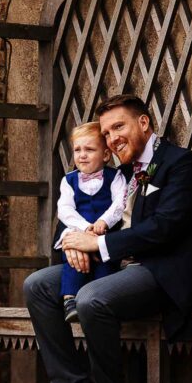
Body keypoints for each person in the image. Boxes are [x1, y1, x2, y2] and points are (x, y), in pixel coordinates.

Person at [23, 94, 192, 383]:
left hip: (159, 271)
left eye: (118, 127)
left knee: (92, 298)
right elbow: (90, 215)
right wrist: (74, 245)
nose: (112, 138)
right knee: (37, 286)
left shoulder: (183, 164)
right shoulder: (120, 172)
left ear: (143, 123)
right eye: (106, 133)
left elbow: (164, 228)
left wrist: (97, 244)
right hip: (110, 264)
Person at [54, 122, 126, 323]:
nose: (82, 155)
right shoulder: (68, 180)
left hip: (105, 236)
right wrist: (84, 228)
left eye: (89, 149)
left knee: (105, 266)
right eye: (77, 150)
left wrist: (104, 221)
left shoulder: (115, 177)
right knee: (72, 263)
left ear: (105, 155)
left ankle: (102, 302)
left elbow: (120, 204)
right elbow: (65, 210)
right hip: (80, 232)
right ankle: (70, 300)